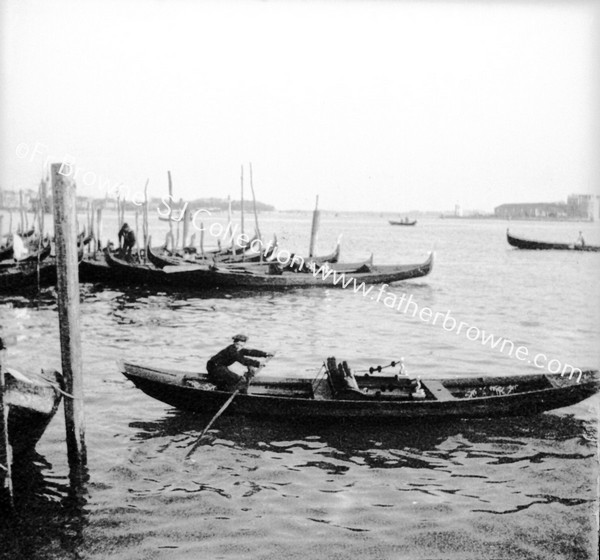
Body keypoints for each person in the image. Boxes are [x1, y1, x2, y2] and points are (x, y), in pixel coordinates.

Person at [206, 334, 273, 392]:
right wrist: (258, 363)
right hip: (214, 367)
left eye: (241, 345)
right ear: (234, 343)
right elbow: (242, 360)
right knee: (237, 379)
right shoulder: (231, 350)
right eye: (237, 344)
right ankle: (230, 392)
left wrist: (265, 354)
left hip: (221, 367)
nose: (239, 347)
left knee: (233, 379)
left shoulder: (239, 349)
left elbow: (250, 352)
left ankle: (224, 390)